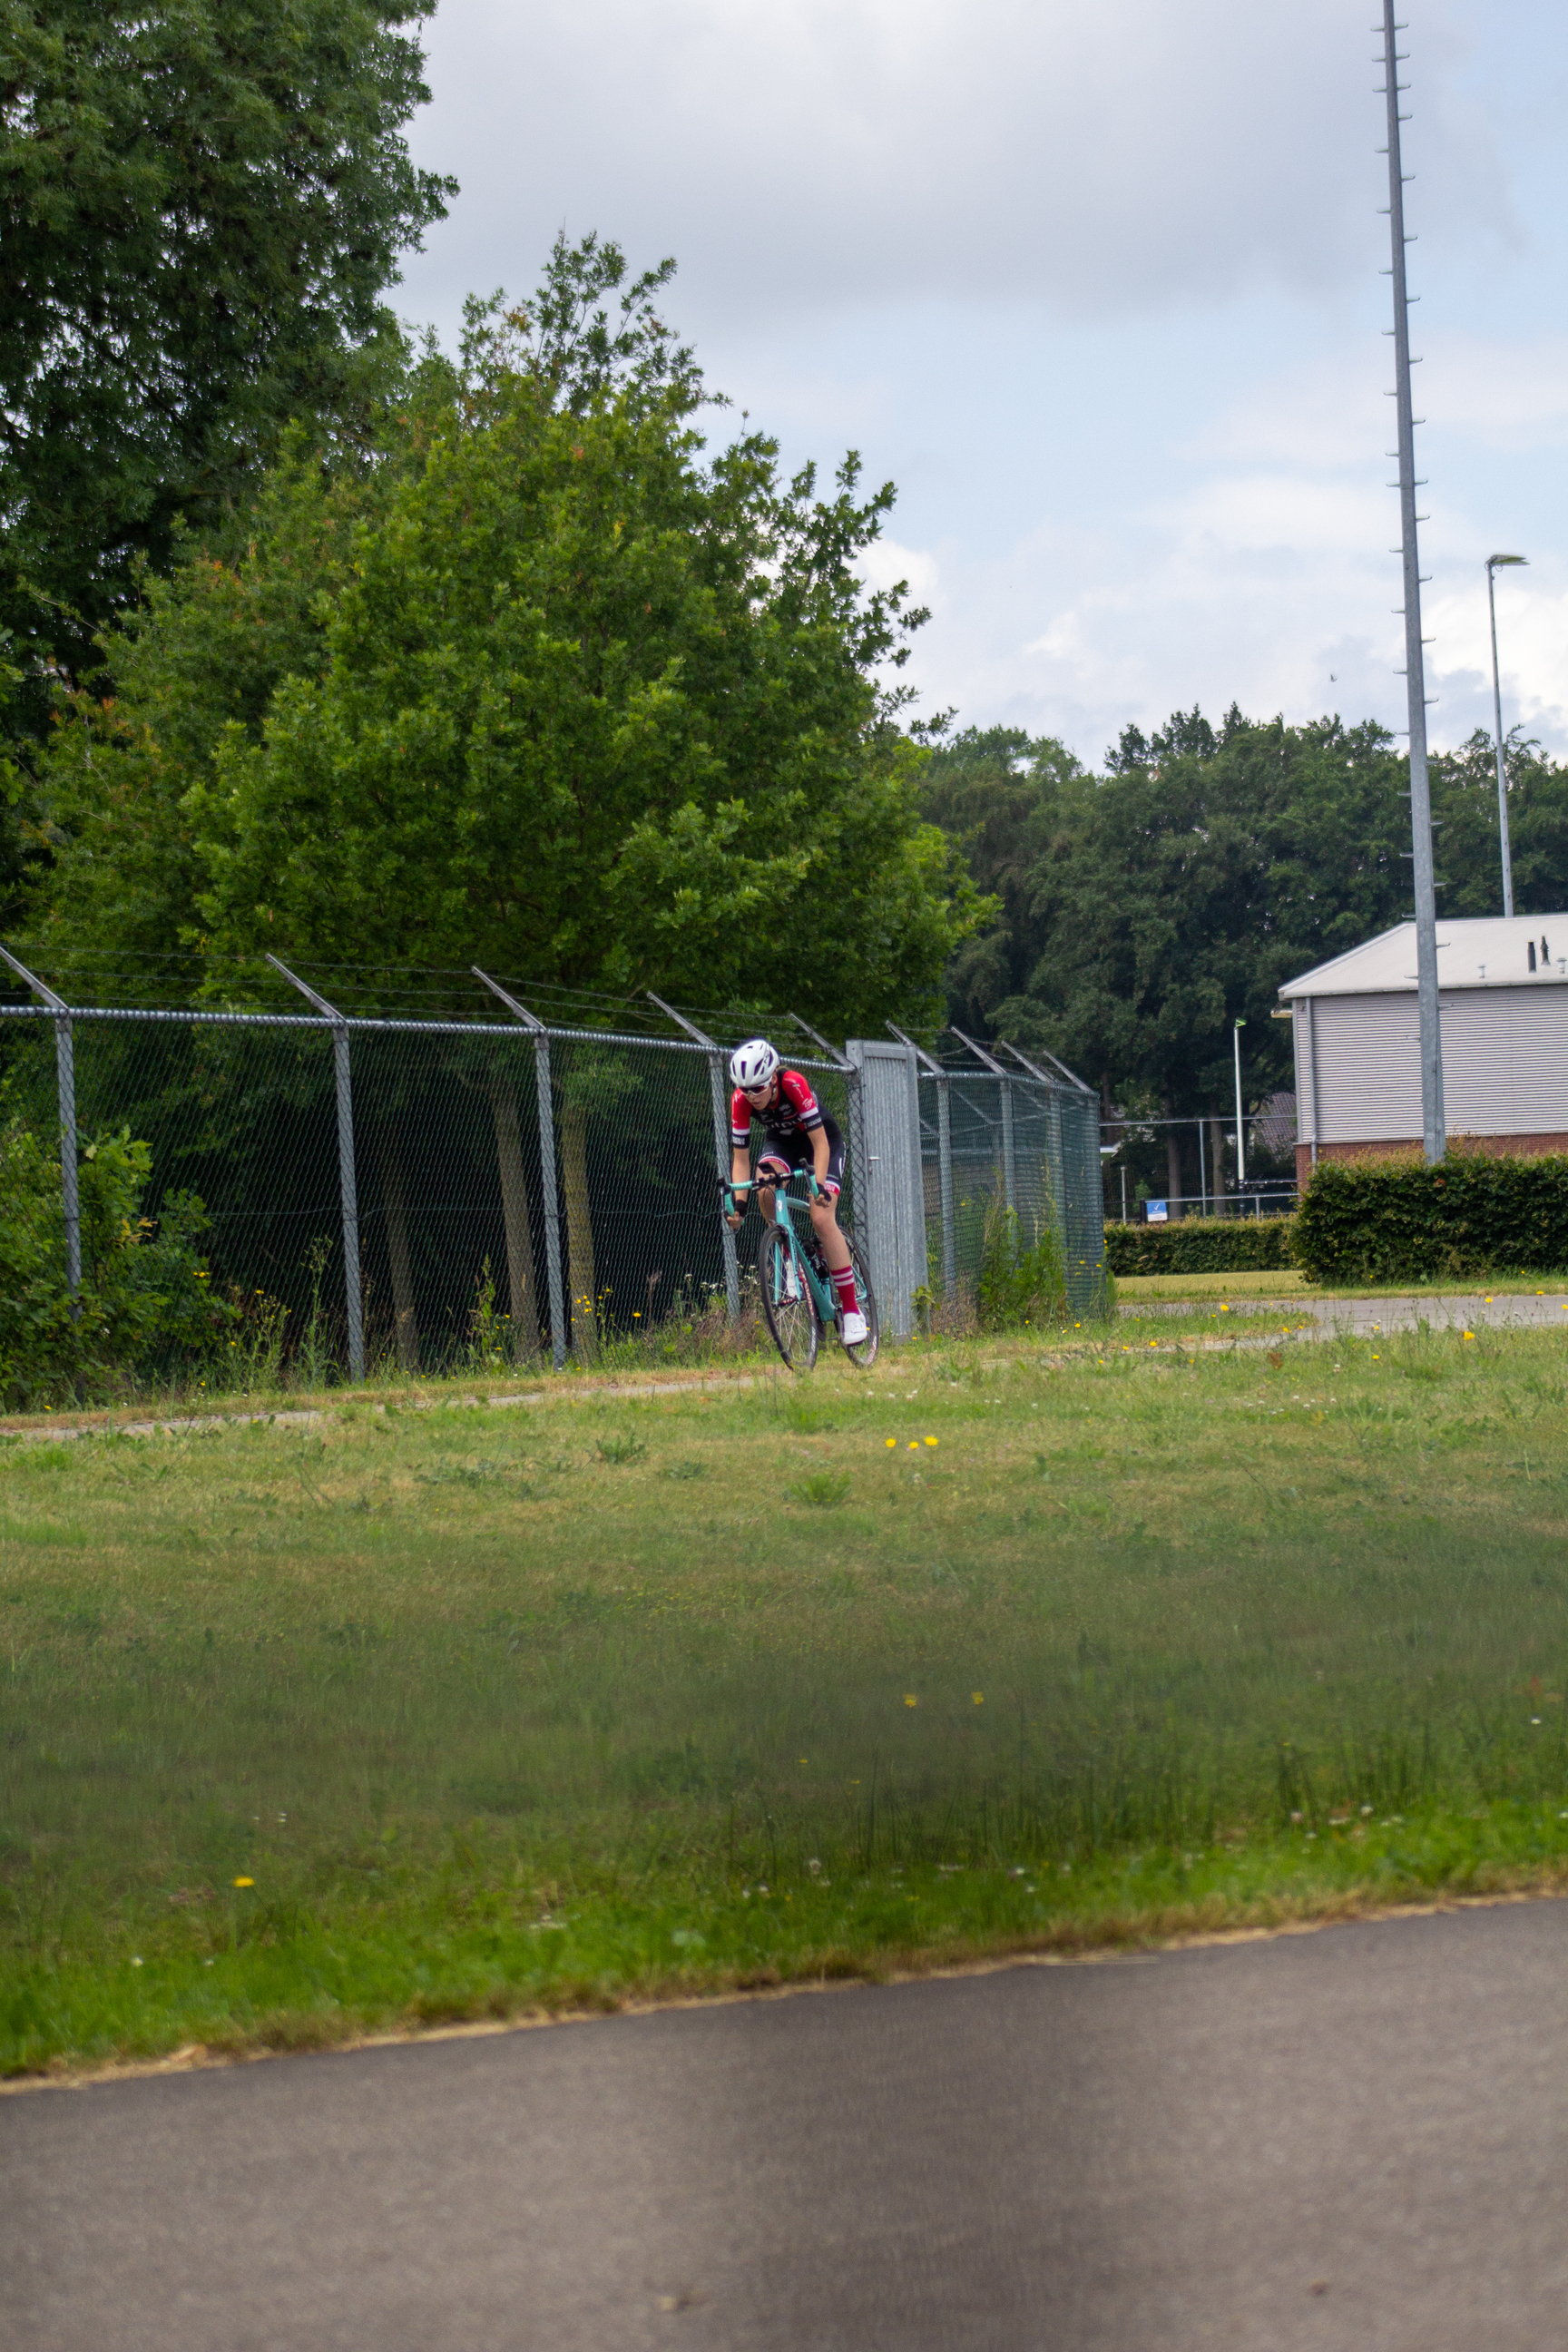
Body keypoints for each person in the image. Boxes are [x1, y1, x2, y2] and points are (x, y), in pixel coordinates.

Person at [724, 1038, 867, 1345]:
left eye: (758, 1088)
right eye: (745, 1089)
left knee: (821, 1217)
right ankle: (788, 1254)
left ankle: (853, 1312)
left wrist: (817, 1189)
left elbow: (820, 1144)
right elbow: (740, 1159)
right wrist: (739, 1206)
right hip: (783, 1144)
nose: (752, 1096)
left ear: (773, 1077)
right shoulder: (741, 1100)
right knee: (764, 1188)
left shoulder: (794, 1084)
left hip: (822, 1143)